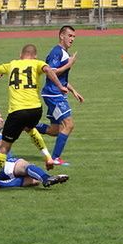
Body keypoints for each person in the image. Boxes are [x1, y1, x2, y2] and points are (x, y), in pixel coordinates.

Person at [0, 43, 68, 194]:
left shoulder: (11, 64)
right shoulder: (37, 63)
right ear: (34, 56)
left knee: (4, 148)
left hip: (17, 111)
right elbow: (48, 69)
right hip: (35, 109)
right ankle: (48, 157)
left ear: (20, 54)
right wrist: (60, 87)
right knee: (30, 128)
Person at [0, 108, 69, 190]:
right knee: (24, 164)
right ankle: (47, 178)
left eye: (1, 117)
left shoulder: (2, 133)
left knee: (34, 180)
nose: (1, 119)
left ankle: (0, 183)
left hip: (3, 168)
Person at [36, 25, 84, 166]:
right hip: (53, 94)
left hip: (54, 93)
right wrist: (69, 64)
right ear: (61, 36)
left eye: (74, 36)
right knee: (69, 124)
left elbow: (61, 79)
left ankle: (28, 124)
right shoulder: (58, 52)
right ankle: (55, 158)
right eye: (70, 36)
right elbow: (51, 73)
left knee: (55, 130)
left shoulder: (62, 53)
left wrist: (73, 90)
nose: (72, 39)